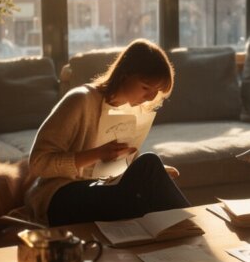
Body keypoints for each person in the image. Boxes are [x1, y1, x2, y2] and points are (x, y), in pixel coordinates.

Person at [25, 39, 191, 226]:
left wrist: (149, 175)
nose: (151, 97)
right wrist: (98, 154)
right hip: (59, 197)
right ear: (125, 74)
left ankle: (182, 236)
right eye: (146, 87)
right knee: (150, 163)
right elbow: (38, 163)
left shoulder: (133, 110)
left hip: (100, 188)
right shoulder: (81, 100)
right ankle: (192, 232)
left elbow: (118, 165)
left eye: (156, 91)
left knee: (149, 176)